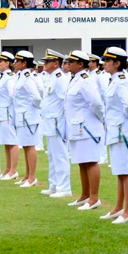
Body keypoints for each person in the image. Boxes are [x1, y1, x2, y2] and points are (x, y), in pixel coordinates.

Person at [99, 47, 128, 224]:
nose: (104, 63)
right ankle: (118, 207)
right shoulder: (113, 80)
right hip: (115, 129)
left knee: (125, 171)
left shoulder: (121, 81)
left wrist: (126, 122)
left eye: (108, 61)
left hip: (121, 130)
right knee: (119, 171)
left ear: (117, 63)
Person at [65, 50, 105, 210]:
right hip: (77, 127)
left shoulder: (85, 80)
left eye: (71, 62)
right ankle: (85, 195)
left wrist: (99, 120)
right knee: (82, 162)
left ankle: (94, 198)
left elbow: (96, 103)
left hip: (87, 128)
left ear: (80, 64)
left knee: (90, 162)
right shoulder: (74, 79)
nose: (68, 64)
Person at [38, 49, 72, 198]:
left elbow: (65, 101)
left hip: (57, 122)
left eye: (47, 61)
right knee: (52, 155)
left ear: (56, 63)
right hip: (49, 121)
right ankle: (54, 184)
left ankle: (64, 187)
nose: (44, 64)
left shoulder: (60, 78)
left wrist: (64, 123)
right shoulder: (51, 77)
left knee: (60, 155)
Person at [13, 50, 42, 187]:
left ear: (24, 63)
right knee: (25, 146)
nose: (15, 63)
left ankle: (32, 177)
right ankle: (27, 175)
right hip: (22, 116)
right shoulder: (21, 77)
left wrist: (32, 110)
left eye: (18, 61)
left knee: (30, 147)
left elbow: (37, 97)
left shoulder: (28, 78)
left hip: (28, 117)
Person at [0, 52, 20, 181]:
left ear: (8, 63)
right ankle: (7, 169)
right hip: (1, 113)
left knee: (12, 141)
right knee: (6, 142)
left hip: (7, 113)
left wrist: (12, 112)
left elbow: (12, 95)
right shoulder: (2, 76)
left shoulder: (9, 77)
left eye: (1, 61)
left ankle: (13, 170)